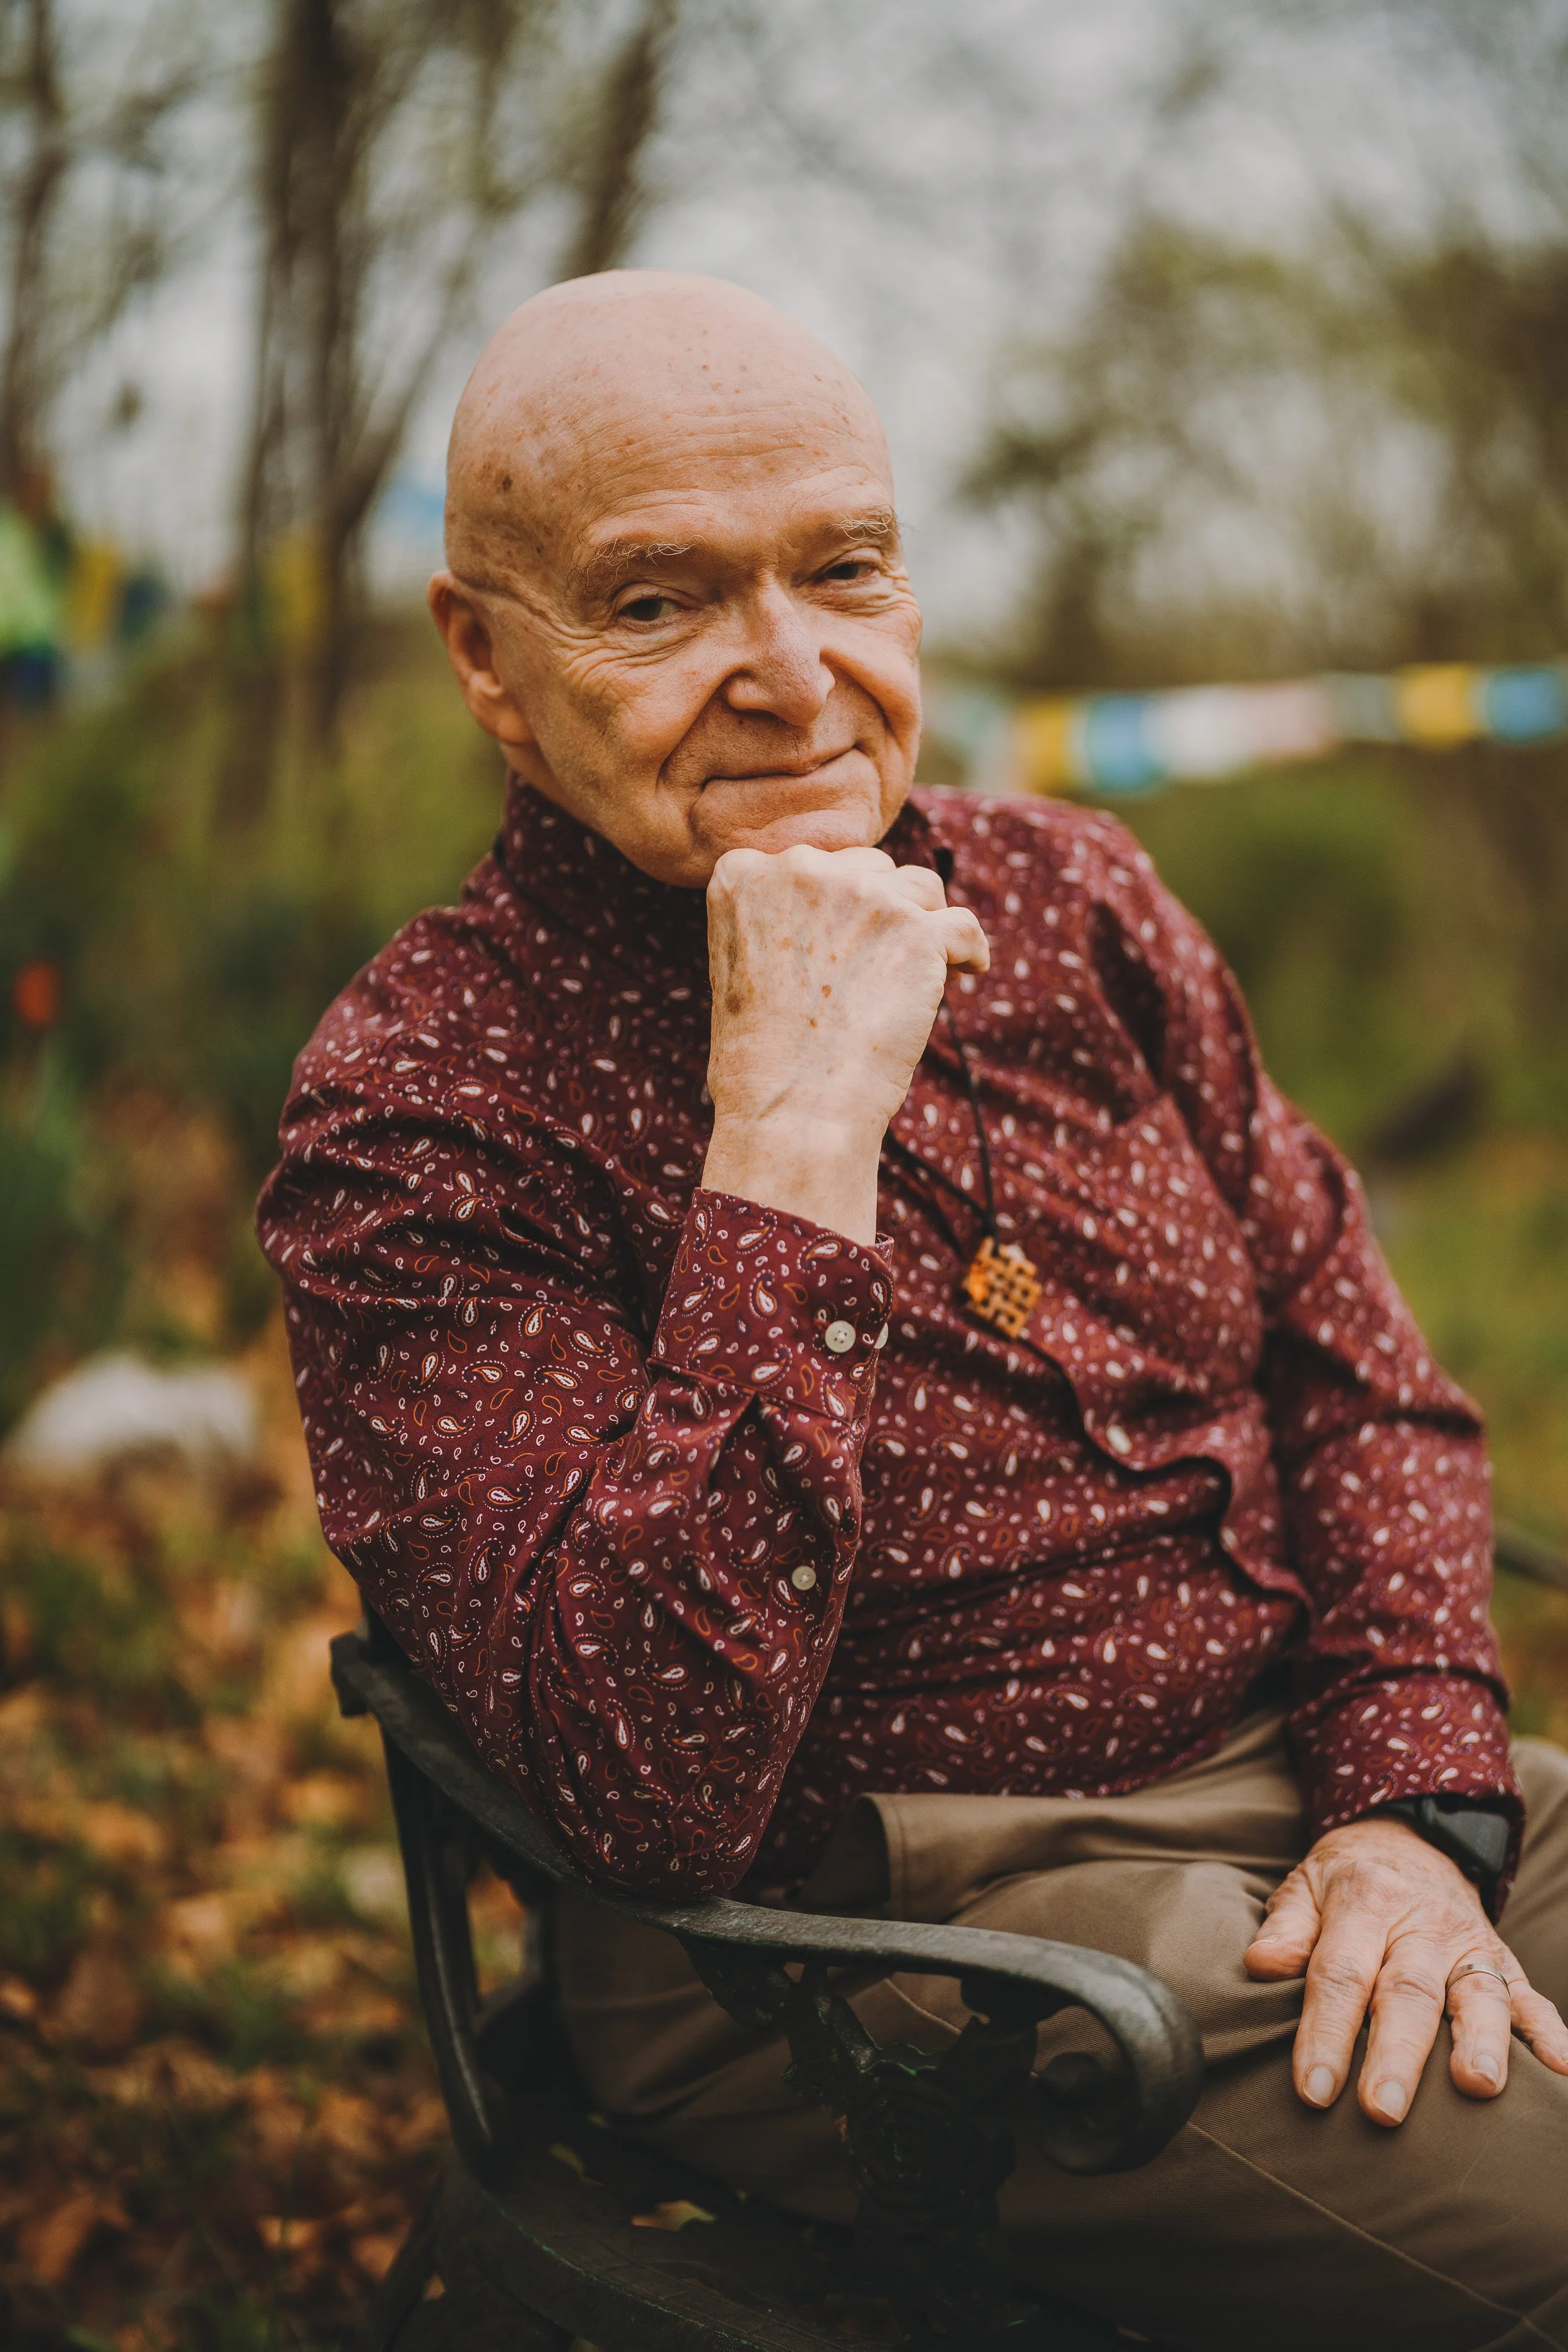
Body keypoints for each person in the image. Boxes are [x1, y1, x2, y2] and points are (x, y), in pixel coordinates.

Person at [257, 271, 1568, 2348]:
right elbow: (638, 1780)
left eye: (841, 567)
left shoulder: (1079, 901)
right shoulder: (430, 1096)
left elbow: (1365, 1387)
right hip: (859, 1944)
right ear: (487, 662)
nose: (793, 674)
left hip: (1323, 1778)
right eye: (661, 601)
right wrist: (789, 1130)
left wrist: (1410, 1808)